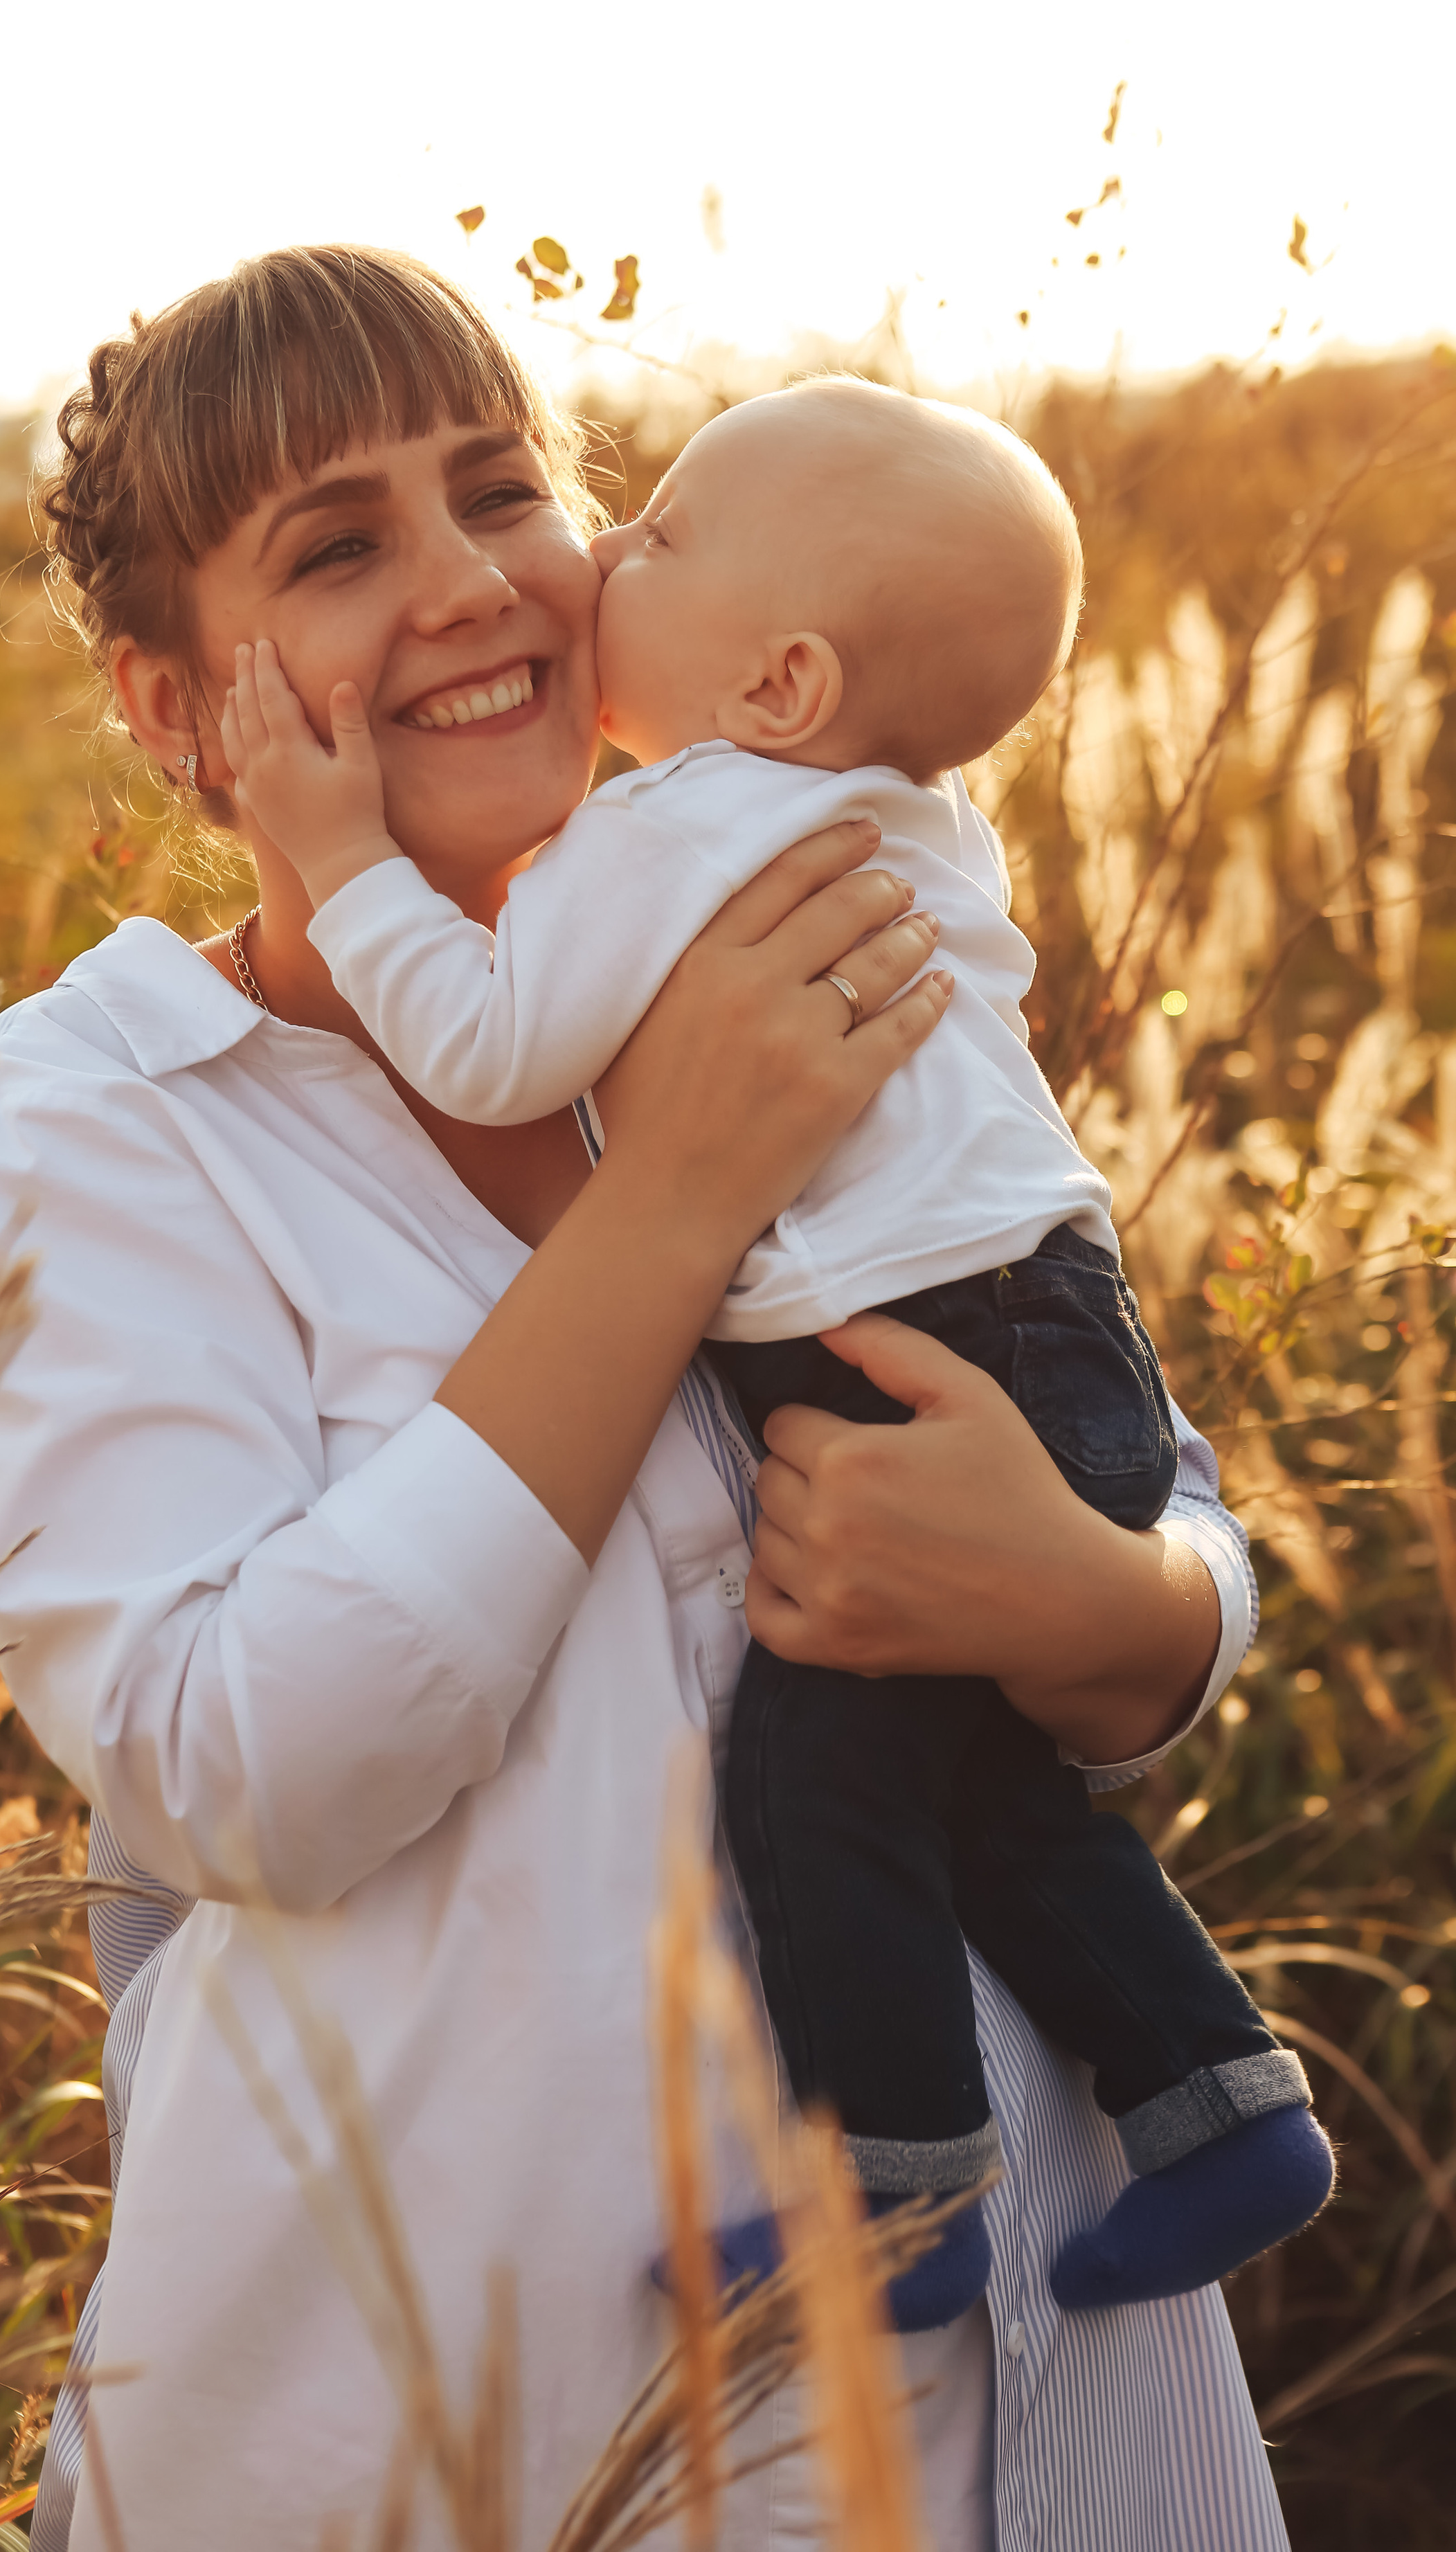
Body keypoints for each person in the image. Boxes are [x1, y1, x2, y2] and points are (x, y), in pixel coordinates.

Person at [0, 246, 1287, 2552]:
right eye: (337, 550)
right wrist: (675, 1210)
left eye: (502, 490)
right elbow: (246, 1769)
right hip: (513, 2433)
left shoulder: (778, 895)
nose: (470, 587)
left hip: (1052, 2384)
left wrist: (1115, 1606)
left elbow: (1119, 1467)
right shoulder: (96, 1125)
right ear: (168, 704)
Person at [214, 375, 1333, 2335]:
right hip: (1056, 1324)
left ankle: (897, 2201)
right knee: (970, 1785)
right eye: (345, 543)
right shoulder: (898, 816)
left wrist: (344, 862)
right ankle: (1219, 2098)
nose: (577, 570)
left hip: (919, 1349)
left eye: (639, 536)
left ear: (784, 681)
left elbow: (491, 1044)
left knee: (819, 1784)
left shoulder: (679, 833)